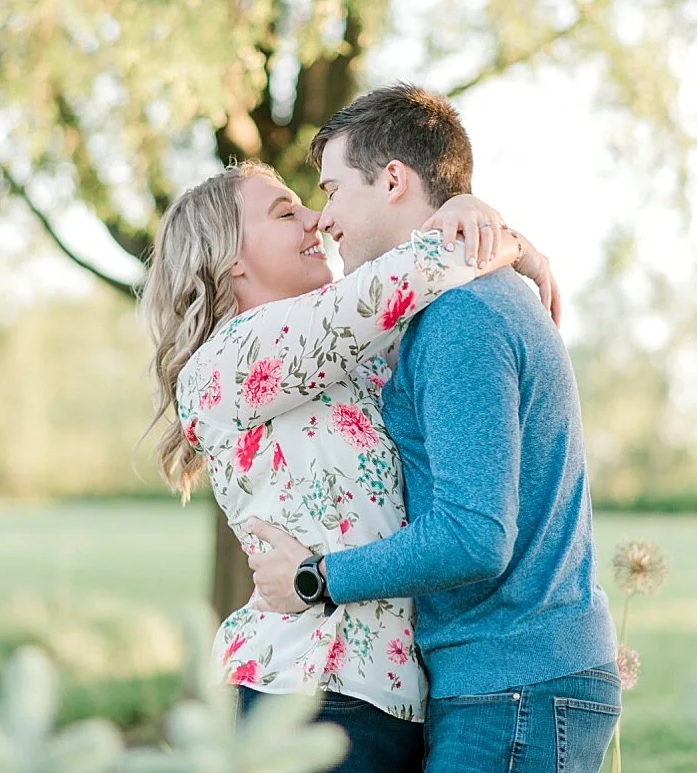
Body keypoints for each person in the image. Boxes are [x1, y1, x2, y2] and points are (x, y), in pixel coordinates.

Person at [139, 149, 557, 772]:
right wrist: (498, 237)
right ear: (227, 261)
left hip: (383, 699)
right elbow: (397, 282)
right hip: (307, 687)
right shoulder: (228, 360)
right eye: (286, 212)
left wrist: (467, 217)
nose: (317, 220)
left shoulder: (343, 360)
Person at [245, 83, 620, 773]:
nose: (323, 218)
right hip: (508, 677)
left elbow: (473, 534)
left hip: (515, 680)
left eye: (331, 189)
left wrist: (315, 576)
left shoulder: (461, 318)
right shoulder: (447, 306)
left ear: (392, 180)